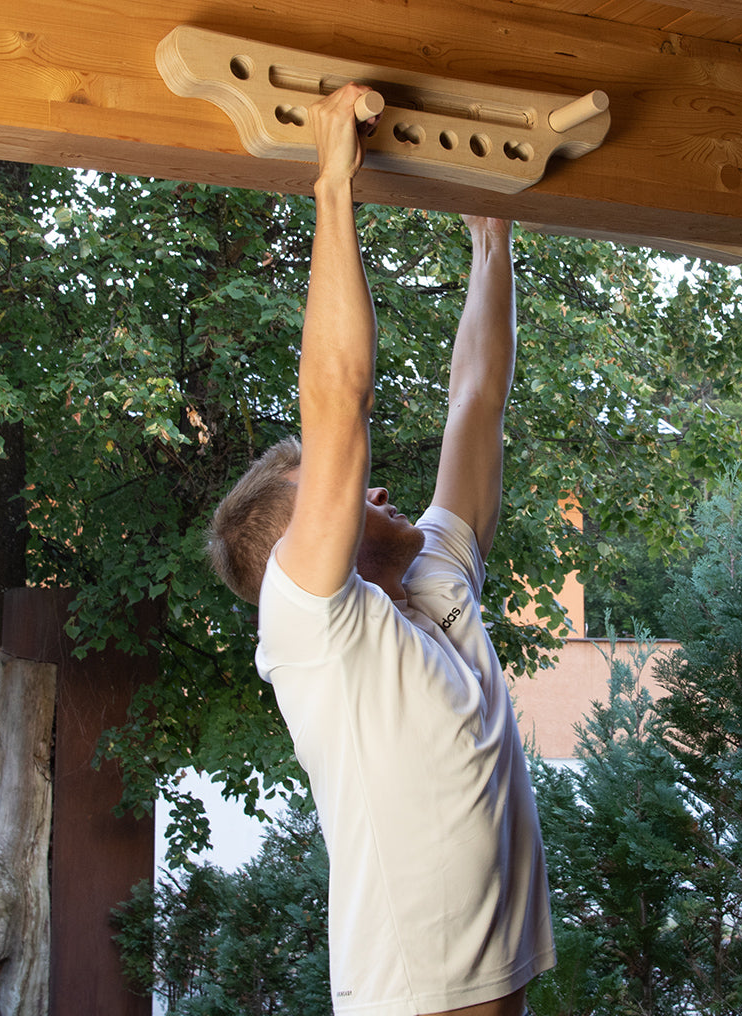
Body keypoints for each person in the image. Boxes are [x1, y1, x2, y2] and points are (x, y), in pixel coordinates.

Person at [207, 82, 556, 1016]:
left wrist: (493, 233)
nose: (370, 489)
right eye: (338, 493)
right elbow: (337, 400)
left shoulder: (434, 580)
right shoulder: (314, 636)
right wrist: (333, 183)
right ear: (309, 543)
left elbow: (476, 398)